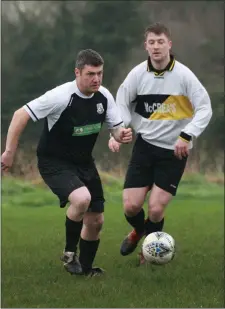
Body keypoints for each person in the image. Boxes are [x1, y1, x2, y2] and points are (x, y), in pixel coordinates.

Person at [1, 49, 132, 276]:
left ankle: (86, 270)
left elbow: (116, 128)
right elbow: (19, 115)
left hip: (84, 163)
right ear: (77, 72)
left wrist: (121, 135)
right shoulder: (60, 96)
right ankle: (69, 253)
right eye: (91, 74)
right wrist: (9, 152)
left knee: (96, 221)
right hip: (54, 161)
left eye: (100, 73)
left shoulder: (104, 96)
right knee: (82, 199)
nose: (96, 79)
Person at [108, 22, 212, 262]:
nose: (156, 47)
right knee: (131, 207)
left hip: (174, 151)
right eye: (152, 42)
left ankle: (148, 251)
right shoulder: (136, 74)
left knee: (155, 209)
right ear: (146, 46)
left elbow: (205, 108)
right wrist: (118, 130)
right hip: (145, 147)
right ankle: (138, 231)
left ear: (169, 45)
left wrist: (187, 135)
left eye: (160, 42)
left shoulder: (184, 75)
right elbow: (121, 103)